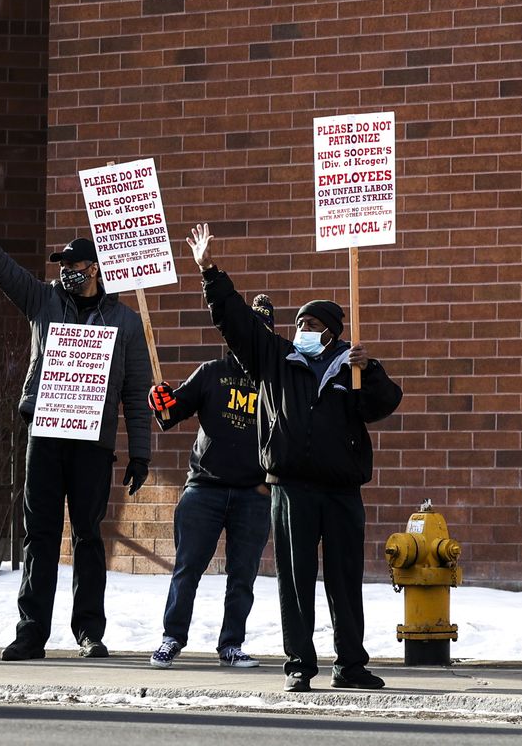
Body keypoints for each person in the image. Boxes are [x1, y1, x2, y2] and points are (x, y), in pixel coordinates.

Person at [187, 223, 402, 693]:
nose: (302, 330)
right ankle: (299, 665)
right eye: (299, 323)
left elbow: (383, 405)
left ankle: (350, 664)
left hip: (342, 490)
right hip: (291, 489)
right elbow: (235, 321)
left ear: (332, 333)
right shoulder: (276, 359)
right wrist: (210, 273)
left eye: (312, 325)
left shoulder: (353, 367)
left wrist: (371, 372)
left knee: (344, 579)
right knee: (295, 579)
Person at [0, 178, 153, 661]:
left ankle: (89, 631)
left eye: (73, 265)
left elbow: (134, 392)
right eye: (62, 265)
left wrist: (141, 453)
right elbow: (3, 271)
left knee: (88, 536)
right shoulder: (43, 301)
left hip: (93, 442)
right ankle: (31, 632)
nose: (65, 271)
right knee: (39, 534)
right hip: (46, 434)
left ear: (94, 269)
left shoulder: (125, 322)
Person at [147, 293, 278, 671]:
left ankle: (231, 644)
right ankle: (172, 638)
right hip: (204, 489)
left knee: (243, 575)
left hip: (254, 494)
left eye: (262, 331)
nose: (253, 337)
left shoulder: (276, 380)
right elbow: (170, 413)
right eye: (248, 329)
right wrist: (159, 400)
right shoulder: (210, 373)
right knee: (187, 568)